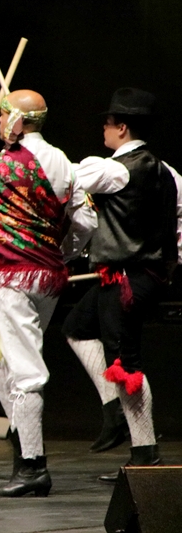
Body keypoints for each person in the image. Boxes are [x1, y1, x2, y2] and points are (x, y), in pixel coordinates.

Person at [0, 90, 97, 497]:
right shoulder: (65, 163)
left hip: (13, 275)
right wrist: (61, 254)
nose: (0, 124)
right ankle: (24, 435)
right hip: (48, 276)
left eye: (3, 118)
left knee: (25, 370)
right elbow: (86, 221)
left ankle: (32, 464)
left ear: (16, 121)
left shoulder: (1, 167)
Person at [61, 88, 178, 482]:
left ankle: (145, 455)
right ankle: (112, 407)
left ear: (122, 127)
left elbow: (61, 179)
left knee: (127, 364)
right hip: (138, 276)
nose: (103, 130)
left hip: (128, 278)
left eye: (108, 124)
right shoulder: (168, 172)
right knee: (77, 328)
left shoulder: (115, 168)